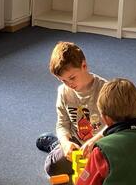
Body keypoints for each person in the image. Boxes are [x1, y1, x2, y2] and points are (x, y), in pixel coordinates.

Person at [41, 42, 107, 176]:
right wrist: (65, 143)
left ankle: (56, 145)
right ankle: (56, 144)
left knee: (107, 169)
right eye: (63, 80)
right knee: (52, 168)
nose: (69, 84)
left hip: (102, 141)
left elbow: (115, 125)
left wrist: (94, 141)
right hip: (76, 142)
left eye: (72, 78)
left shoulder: (105, 90)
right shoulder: (63, 92)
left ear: (84, 66)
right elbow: (62, 124)